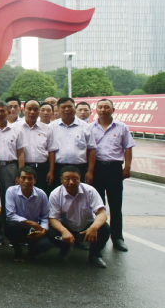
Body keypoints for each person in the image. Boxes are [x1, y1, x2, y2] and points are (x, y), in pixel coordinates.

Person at [90, 98, 135, 251]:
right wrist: (89, 171)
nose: (103, 109)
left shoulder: (121, 127)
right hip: (96, 169)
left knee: (115, 205)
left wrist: (127, 168)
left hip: (115, 169)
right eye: (100, 107)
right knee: (97, 205)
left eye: (107, 107)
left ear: (113, 110)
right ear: (96, 110)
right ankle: (99, 236)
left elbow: (128, 148)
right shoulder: (90, 128)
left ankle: (117, 238)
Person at [48, 166, 111, 268]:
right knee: (51, 232)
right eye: (67, 179)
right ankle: (65, 249)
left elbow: (102, 213)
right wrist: (64, 231)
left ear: (80, 179)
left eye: (75, 179)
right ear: (61, 180)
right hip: (67, 227)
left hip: (87, 227)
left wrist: (94, 227)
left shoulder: (90, 191)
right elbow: (53, 219)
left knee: (104, 229)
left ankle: (95, 255)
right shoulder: (55, 194)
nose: (71, 182)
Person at [0, 101, 25, 225]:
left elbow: (21, 153)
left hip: (11, 167)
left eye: (2, 111)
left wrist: (20, 173)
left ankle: (11, 225)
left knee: (11, 196)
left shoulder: (16, 130)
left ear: (8, 112)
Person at [4, 167, 53, 261]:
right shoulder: (11, 191)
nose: (26, 181)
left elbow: (45, 217)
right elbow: (10, 215)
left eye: (30, 178)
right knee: (10, 226)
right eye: (23, 178)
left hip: (35, 230)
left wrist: (43, 230)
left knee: (45, 244)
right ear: (17, 179)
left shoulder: (41, 194)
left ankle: (32, 252)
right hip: (19, 227)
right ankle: (18, 251)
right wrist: (32, 223)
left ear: (35, 180)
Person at [51, 98, 97, 183]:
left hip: (80, 167)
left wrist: (90, 171)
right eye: (63, 107)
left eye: (70, 106)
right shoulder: (51, 127)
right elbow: (50, 151)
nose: (67, 109)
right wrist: (51, 171)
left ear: (75, 108)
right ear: (58, 109)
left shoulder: (85, 127)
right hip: (58, 168)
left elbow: (92, 150)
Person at [17, 99, 57, 195]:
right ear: (24, 110)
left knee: (43, 194)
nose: (32, 112)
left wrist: (51, 171)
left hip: (42, 169)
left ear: (39, 111)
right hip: (24, 167)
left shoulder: (47, 128)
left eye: (35, 109)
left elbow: (51, 151)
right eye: (29, 109)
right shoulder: (16, 127)